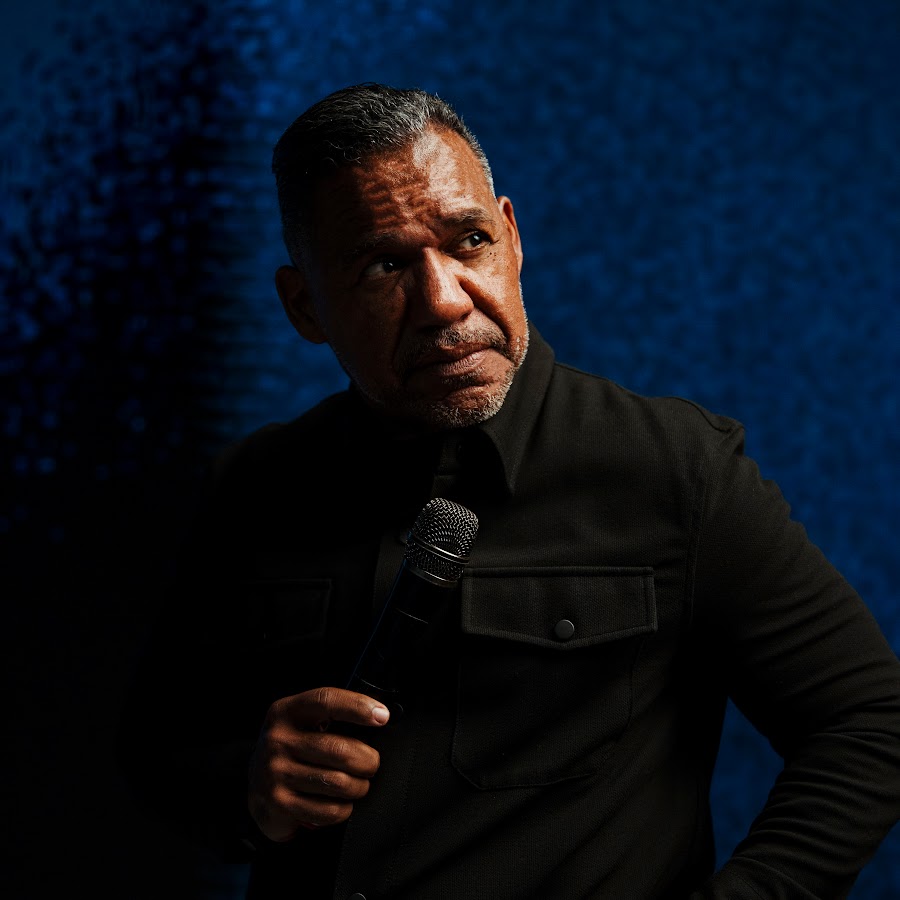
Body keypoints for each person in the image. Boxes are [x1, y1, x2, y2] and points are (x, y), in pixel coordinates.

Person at [121, 83, 900, 899]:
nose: (444, 300)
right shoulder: (252, 487)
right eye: (386, 265)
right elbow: (155, 751)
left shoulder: (676, 469)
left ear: (512, 237)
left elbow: (869, 721)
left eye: (468, 241)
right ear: (305, 306)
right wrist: (249, 786)